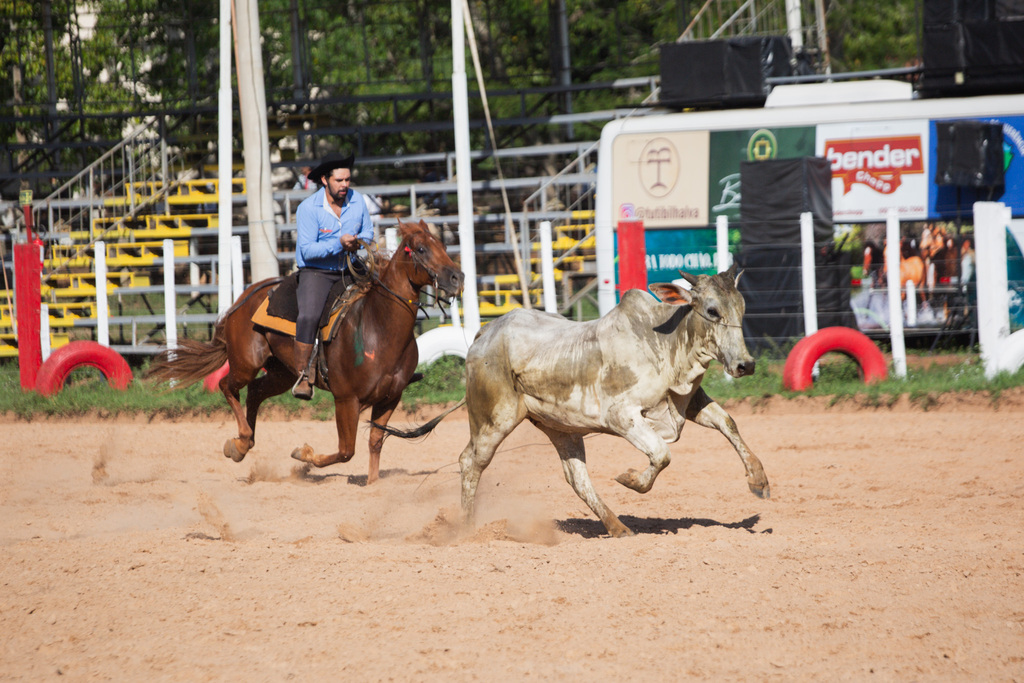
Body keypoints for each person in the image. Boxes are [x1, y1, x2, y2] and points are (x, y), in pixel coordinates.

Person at [291, 153, 374, 400]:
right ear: (325, 180)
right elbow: (307, 250)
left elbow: (368, 232)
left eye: (348, 180)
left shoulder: (357, 201)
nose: (345, 185)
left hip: (349, 265)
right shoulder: (308, 208)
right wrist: (339, 244)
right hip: (316, 271)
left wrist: (358, 243)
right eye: (339, 180)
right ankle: (304, 375)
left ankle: (389, 365)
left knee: (384, 297)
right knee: (309, 315)